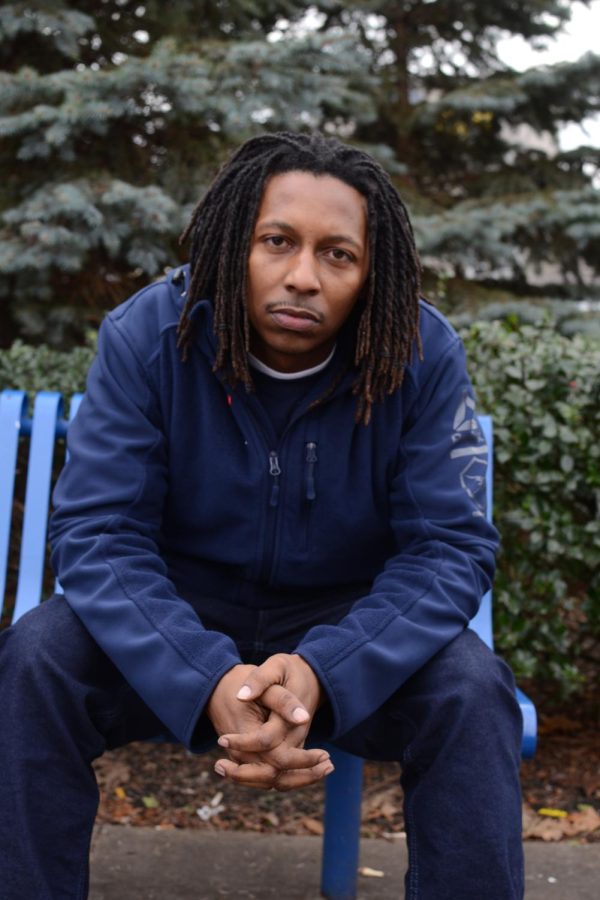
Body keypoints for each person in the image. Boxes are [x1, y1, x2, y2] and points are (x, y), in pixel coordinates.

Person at [0, 131, 524, 899]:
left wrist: (324, 669)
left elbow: (448, 548)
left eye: (338, 254)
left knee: (472, 691)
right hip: (175, 613)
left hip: (345, 622)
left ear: (372, 270)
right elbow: (99, 535)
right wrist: (205, 673)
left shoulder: (419, 354)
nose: (303, 277)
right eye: (276, 242)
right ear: (230, 244)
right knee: (35, 661)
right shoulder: (148, 337)